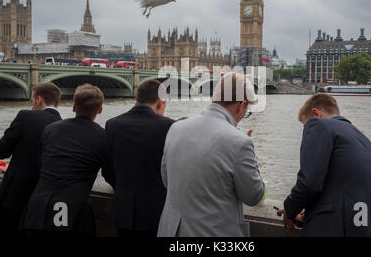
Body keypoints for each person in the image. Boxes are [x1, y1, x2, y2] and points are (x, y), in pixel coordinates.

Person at [157, 72, 266, 237]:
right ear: (241, 104)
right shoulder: (240, 142)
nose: (244, 115)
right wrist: (254, 161)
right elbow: (253, 196)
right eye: (247, 111)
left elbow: (167, 180)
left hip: (171, 231)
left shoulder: (175, 128)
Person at [277, 93, 371, 237]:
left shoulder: (318, 124)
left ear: (316, 113)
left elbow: (309, 183)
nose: (306, 131)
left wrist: (290, 208)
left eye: (305, 126)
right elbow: (343, 187)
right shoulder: (364, 141)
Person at [20, 83, 114, 236]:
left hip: (36, 209)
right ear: (100, 109)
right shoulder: (103, 137)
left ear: (74, 107)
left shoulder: (51, 129)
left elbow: (41, 163)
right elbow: (109, 174)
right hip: (66, 212)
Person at [105, 79, 175, 237]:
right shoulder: (169, 126)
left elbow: (107, 170)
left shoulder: (112, 124)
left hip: (122, 211)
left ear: (137, 100)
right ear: (161, 102)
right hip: (157, 212)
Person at [0, 82, 62, 237]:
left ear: (38, 99)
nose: (32, 105)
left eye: (32, 101)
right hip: (45, 200)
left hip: (15, 197)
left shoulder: (25, 116)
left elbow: (1, 151)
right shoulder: (63, 125)